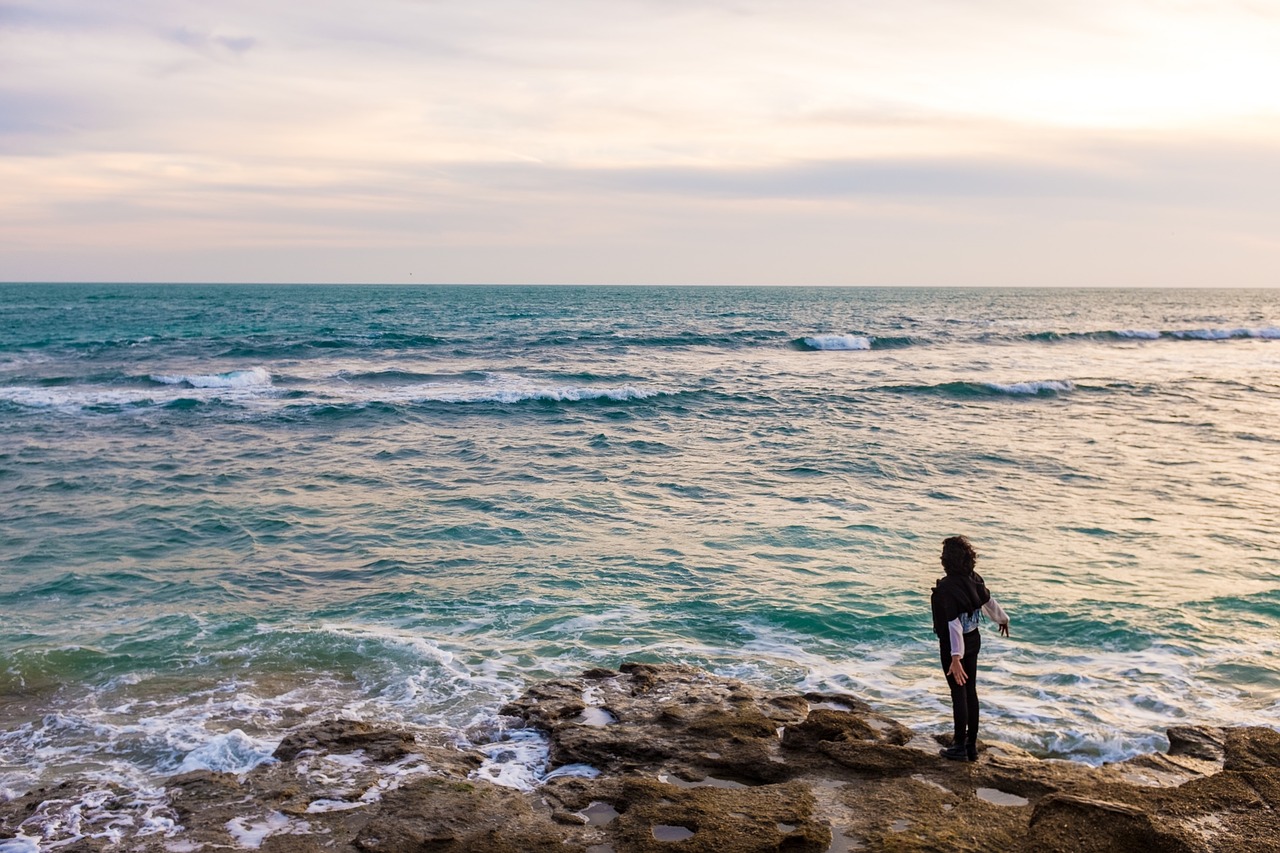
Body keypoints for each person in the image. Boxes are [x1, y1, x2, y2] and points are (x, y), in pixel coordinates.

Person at [930, 535, 1009, 762]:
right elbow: (988, 601)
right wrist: (1003, 619)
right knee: (970, 691)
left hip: (956, 646)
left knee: (958, 693)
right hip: (974, 640)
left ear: (946, 560)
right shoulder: (974, 579)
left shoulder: (946, 588)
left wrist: (955, 657)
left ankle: (958, 746)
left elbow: (953, 624)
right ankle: (971, 745)